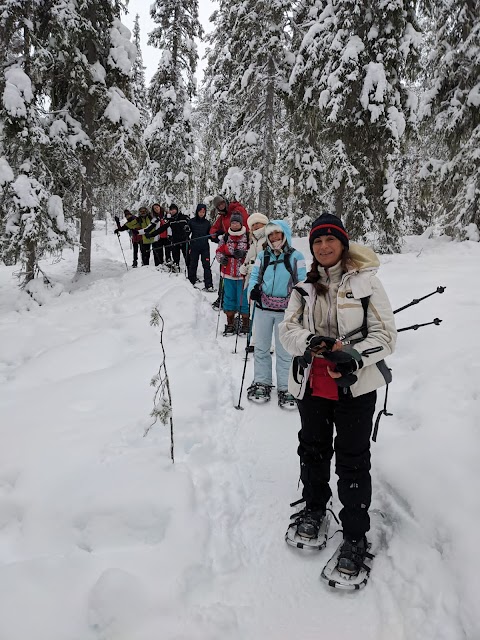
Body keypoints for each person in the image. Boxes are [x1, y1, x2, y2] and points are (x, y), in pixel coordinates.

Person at [279, 213, 397, 576]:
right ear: (311, 248)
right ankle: (315, 507)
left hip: (354, 388)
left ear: (343, 245)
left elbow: (386, 336)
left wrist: (352, 359)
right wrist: (310, 341)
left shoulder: (367, 284)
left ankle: (356, 535)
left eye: (331, 240)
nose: (324, 246)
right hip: (311, 384)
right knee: (312, 449)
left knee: (352, 459)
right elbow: (288, 331)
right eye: (317, 241)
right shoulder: (303, 288)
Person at [246, 220, 306, 406]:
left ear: (285, 235)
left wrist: (301, 305)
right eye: (270, 235)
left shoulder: (297, 256)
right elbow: (255, 276)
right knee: (261, 348)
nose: (274, 238)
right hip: (263, 308)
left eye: (277, 234)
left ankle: (286, 387)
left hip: (285, 312)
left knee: (285, 351)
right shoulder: (263, 256)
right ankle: (262, 382)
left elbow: (302, 281)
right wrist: (252, 290)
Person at [210, 196, 249, 308]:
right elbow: (214, 228)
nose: (221, 206)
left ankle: (241, 302)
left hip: (241, 243)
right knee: (224, 274)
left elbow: (246, 223)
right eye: (219, 206)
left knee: (241, 276)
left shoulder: (237, 210)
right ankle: (221, 297)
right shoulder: (222, 216)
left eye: (222, 203)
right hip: (228, 244)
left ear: (225, 202)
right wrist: (214, 233)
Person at [216, 211, 249, 335]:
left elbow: (253, 253)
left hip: (243, 274)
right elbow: (219, 251)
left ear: (241, 224)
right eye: (233, 222)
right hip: (228, 273)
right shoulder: (225, 237)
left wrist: (244, 254)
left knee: (243, 298)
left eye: (237, 222)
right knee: (229, 297)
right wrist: (221, 259)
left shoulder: (247, 237)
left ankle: (245, 322)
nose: (235, 225)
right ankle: (230, 323)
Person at [187, 204, 214, 291]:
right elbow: (186, 233)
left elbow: (210, 235)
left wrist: (216, 237)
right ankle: (191, 282)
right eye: (200, 212)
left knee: (206, 265)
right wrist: (186, 229)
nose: (202, 214)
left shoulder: (207, 223)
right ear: (197, 212)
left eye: (203, 212)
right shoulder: (191, 221)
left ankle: (209, 284)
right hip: (194, 246)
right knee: (193, 264)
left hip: (204, 247)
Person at [167, 204, 190, 271]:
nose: (173, 211)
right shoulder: (170, 220)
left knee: (188, 259)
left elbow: (191, 226)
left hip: (184, 241)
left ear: (177, 210)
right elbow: (163, 228)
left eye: (174, 209)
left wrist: (187, 233)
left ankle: (191, 274)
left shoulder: (184, 217)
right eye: (171, 210)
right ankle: (177, 274)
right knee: (176, 258)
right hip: (175, 241)